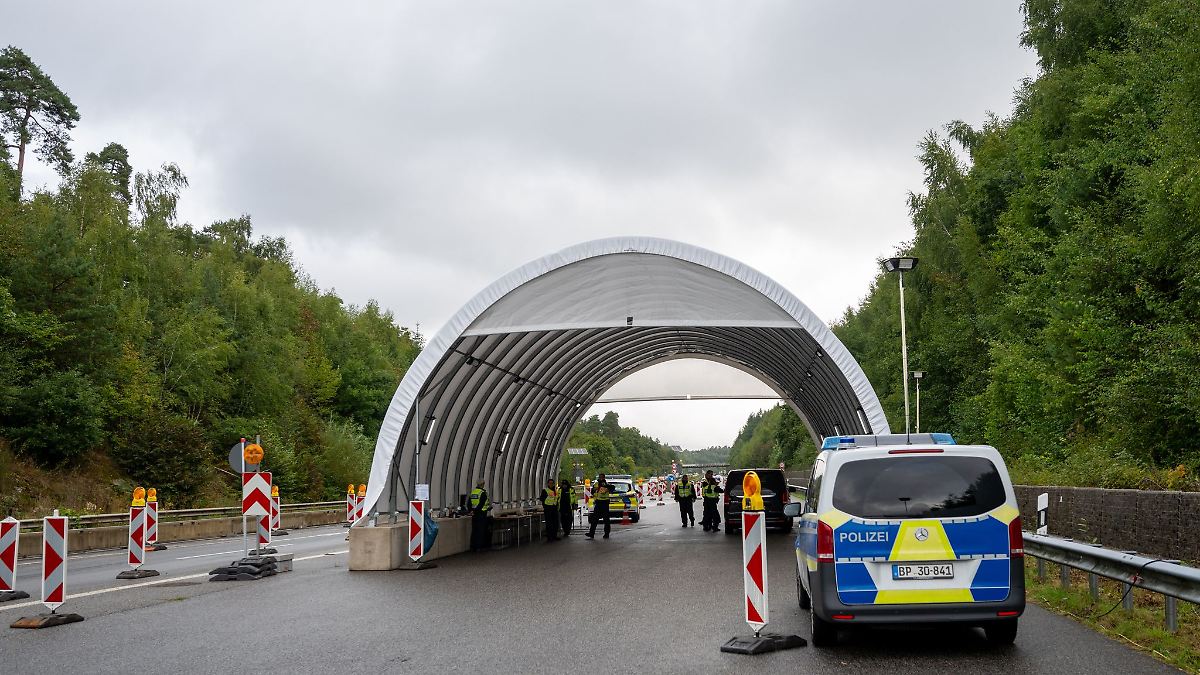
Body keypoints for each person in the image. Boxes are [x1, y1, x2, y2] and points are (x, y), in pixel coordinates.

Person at [586, 473, 612, 539]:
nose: (600, 479)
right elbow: (592, 491)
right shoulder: (596, 484)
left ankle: (606, 534)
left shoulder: (606, 484)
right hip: (598, 502)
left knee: (606, 520)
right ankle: (591, 533)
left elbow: (611, 488)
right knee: (594, 519)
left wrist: (605, 487)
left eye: (602, 477)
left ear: (604, 478)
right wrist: (595, 490)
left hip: (605, 502)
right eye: (600, 477)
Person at [469, 479, 492, 552]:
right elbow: (481, 505)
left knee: (474, 530)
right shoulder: (483, 493)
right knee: (480, 531)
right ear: (483, 484)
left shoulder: (473, 493)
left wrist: (471, 511)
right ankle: (479, 547)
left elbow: (469, 504)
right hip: (481, 514)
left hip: (474, 515)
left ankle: (473, 546)